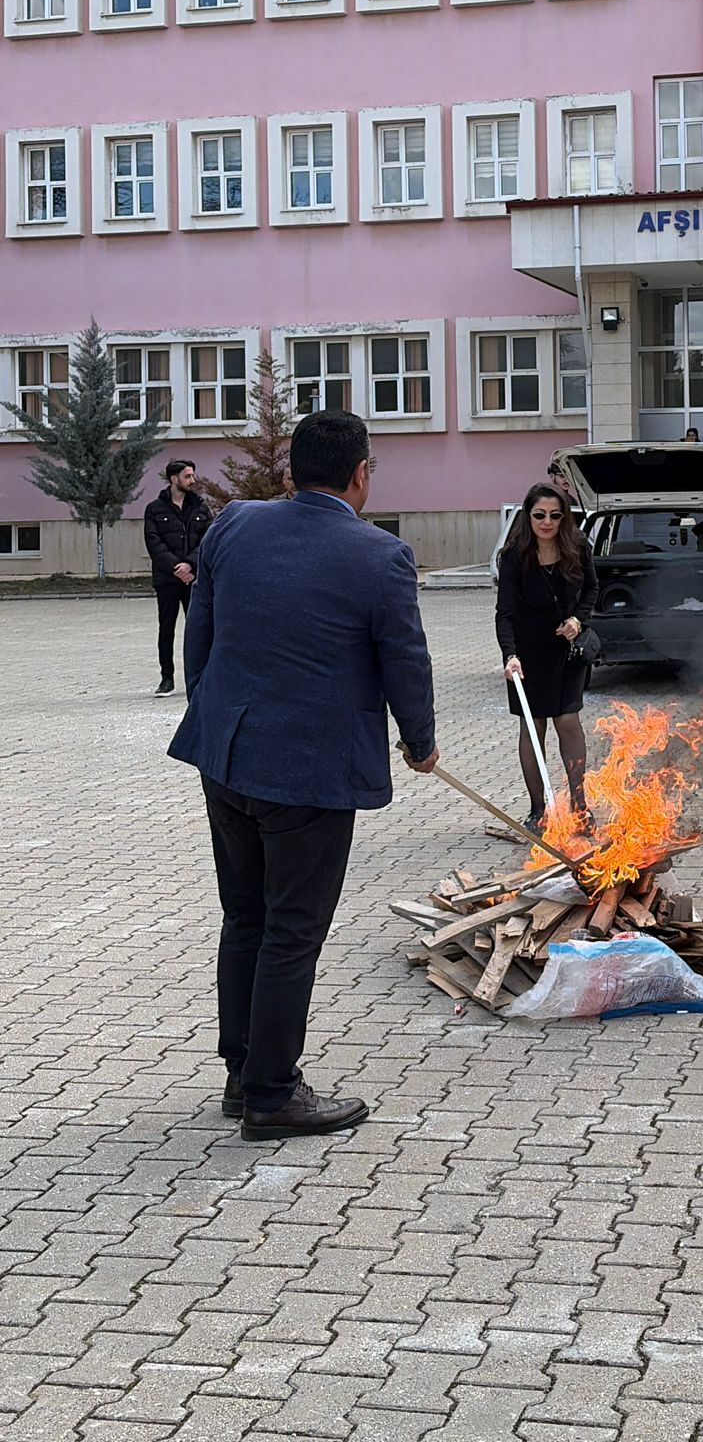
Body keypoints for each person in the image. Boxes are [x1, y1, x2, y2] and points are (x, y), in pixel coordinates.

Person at [169, 409, 438, 1141]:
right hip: (307, 773)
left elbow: (204, 626)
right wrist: (421, 742)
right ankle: (272, 1094)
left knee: (246, 916)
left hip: (226, 754)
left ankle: (241, 1072)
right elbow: (405, 663)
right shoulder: (381, 555)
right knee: (291, 930)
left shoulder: (235, 523)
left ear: (291, 470)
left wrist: (209, 707)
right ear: (361, 475)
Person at [496, 483, 599, 829]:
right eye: (539, 515)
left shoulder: (578, 547)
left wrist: (577, 619)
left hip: (566, 650)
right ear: (528, 516)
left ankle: (580, 806)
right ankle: (538, 810)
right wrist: (510, 655)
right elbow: (504, 613)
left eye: (555, 515)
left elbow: (592, 589)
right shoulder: (514, 556)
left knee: (568, 720)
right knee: (533, 724)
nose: (547, 522)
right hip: (527, 653)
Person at [144, 459, 213, 697]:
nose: (192, 480)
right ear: (174, 479)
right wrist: (176, 567)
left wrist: (190, 565)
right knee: (167, 629)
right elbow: (153, 542)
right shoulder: (155, 509)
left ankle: (201, 677)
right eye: (187, 476)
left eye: (193, 476)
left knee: (199, 628)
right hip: (167, 580)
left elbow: (208, 539)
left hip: (194, 579)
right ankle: (166, 679)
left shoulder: (201, 507)